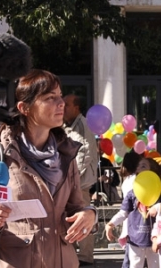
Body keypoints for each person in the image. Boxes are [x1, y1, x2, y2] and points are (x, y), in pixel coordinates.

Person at [0, 69, 97, 267]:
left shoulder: (67, 155)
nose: (61, 103)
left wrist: (89, 215)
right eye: (50, 97)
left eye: (60, 96)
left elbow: (77, 207)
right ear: (24, 108)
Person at [105, 156, 161, 268]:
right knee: (135, 265)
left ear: (152, 172)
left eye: (144, 165)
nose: (139, 168)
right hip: (135, 238)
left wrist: (158, 207)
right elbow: (123, 212)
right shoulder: (132, 193)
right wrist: (111, 223)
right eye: (138, 166)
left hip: (155, 239)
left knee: (156, 265)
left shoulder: (159, 192)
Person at [63, 93, 99, 266]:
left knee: (83, 217)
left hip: (80, 183)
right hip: (71, 182)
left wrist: (72, 177)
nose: (63, 107)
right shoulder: (67, 125)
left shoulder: (83, 126)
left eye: (67, 104)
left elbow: (84, 154)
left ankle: (85, 257)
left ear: (76, 108)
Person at [90, 139, 120, 205]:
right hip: (89, 197)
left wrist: (109, 179)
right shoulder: (88, 161)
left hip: (105, 198)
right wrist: (98, 180)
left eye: (102, 149)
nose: (101, 151)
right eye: (99, 148)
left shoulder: (106, 162)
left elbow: (117, 180)